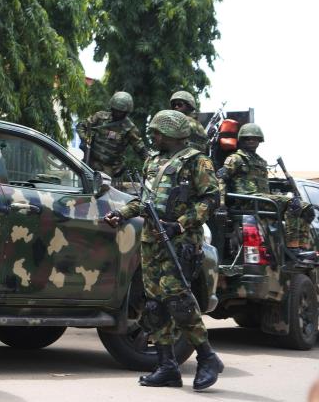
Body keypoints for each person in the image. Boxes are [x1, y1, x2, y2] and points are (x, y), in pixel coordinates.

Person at [103, 110, 224, 391]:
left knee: (178, 300)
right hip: (151, 241)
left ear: (171, 134)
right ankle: (167, 366)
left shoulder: (197, 161)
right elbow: (145, 201)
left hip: (179, 242)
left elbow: (210, 200)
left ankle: (208, 358)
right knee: (154, 304)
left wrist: (179, 226)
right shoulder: (153, 161)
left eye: (157, 133)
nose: (153, 137)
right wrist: (121, 213)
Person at [218, 123, 314, 255]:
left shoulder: (261, 161)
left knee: (307, 210)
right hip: (248, 201)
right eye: (247, 138)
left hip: (263, 200)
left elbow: (261, 183)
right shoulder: (236, 159)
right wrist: (221, 204)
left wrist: (283, 185)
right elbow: (220, 178)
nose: (251, 141)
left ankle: (301, 247)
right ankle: (292, 248)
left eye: (254, 138)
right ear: (242, 140)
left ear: (259, 140)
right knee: (293, 204)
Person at [76, 91, 148, 179]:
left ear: (126, 112)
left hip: (109, 169)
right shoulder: (99, 117)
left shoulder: (129, 128)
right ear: (112, 108)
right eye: (116, 110)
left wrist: (150, 164)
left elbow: (140, 148)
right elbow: (81, 126)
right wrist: (85, 138)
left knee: (102, 191)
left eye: (120, 112)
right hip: (89, 162)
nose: (118, 113)